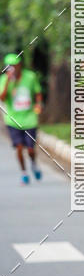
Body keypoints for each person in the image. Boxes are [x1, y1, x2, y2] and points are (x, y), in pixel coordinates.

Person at [0, 53, 43, 184]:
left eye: (15, 65)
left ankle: (33, 164)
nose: (13, 68)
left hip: (30, 118)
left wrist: (38, 105)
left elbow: (38, 93)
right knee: (19, 147)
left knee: (30, 149)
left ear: (19, 65)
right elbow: (2, 98)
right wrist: (8, 81)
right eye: (10, 66)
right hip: (12, 119)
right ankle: (24, 173)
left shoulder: (30, 76)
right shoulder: (3, 79)